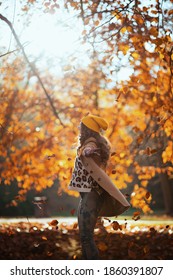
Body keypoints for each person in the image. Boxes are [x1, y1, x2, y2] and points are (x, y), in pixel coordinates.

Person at [68, 114, 130, 259]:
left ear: (87, 129)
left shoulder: (91, 143)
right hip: (89, 195)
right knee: (85, 238)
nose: (78, 128)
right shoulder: (92, 142)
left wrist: (87, 151)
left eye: (81, 126)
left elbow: (88, 150)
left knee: (86, 238)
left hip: (92, 195)